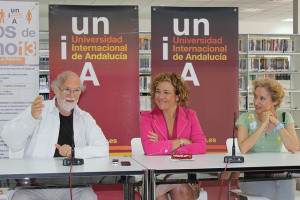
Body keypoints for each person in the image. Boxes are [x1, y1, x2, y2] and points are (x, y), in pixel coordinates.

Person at [1, 71, 109, 200]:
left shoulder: (85, 118)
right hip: (34, 187)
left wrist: (74, 152)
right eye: (67, 89)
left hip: (73, 186)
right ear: (56, 89)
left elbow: (103, 148)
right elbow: (10, 139)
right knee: (22, 198)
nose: (71, 95)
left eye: (76, 90)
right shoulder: (39, 110)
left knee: (88, 197)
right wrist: (31, 119)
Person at [140, 72, 206, 200]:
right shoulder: (147, 117)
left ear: (177, 96)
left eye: (166, 92)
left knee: (179, 187)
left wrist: (172, 149)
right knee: (159, 194)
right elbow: (149, 149)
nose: (160, 96)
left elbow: (201, 146)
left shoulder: (190, 115)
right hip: (155, 176)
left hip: (184, 176)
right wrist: (181, 142)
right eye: (158, 91)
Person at [236, 77, 299, 200]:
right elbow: (243, 149)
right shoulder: (245, 118)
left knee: (287, 182)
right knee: (283, 189)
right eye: (255, 97)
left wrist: (276, 122)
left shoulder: (285, 117)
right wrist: (263, 124)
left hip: (279, 176)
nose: (256, 102)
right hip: (252, 179)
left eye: (262, 98)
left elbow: (293, 147)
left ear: (274, 101)